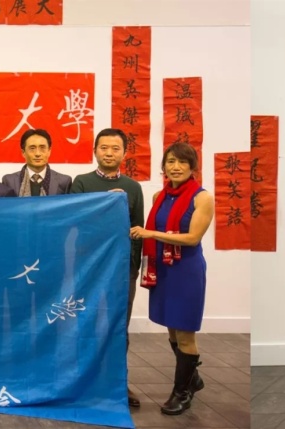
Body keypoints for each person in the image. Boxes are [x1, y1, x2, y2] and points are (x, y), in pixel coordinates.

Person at [128, 143, 213, 416]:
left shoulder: (202, 198)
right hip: (164, 270)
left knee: (185, 332)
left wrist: (151, 234)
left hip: (186, 271)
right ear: (163, 166)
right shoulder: (159, 196)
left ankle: (182, 393)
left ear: (192, 166)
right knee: (172, 329)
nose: (175, 167)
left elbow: (192, 238)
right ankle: (192, 378)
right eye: (171, 161)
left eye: (182, 162)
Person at [72, 128, 145, 408]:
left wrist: (133, 268)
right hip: (87, 268)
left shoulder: (133, 187)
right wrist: (105, 203)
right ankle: (84, 381)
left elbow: (137, 231)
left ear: (124, 153)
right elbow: (74, 221)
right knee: (86, 322)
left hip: (121, 270)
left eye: (115, 148)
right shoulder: (81, 182)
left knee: (118, 326)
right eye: (104, 148)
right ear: (95, 151)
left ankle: (117, 382)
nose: (109, 153)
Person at [3, 129, 71, 196]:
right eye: (32, 148)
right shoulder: (9, 181)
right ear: (23, 152)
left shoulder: (64, 182)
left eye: (42, 148)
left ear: (49, 151)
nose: (37, 154)